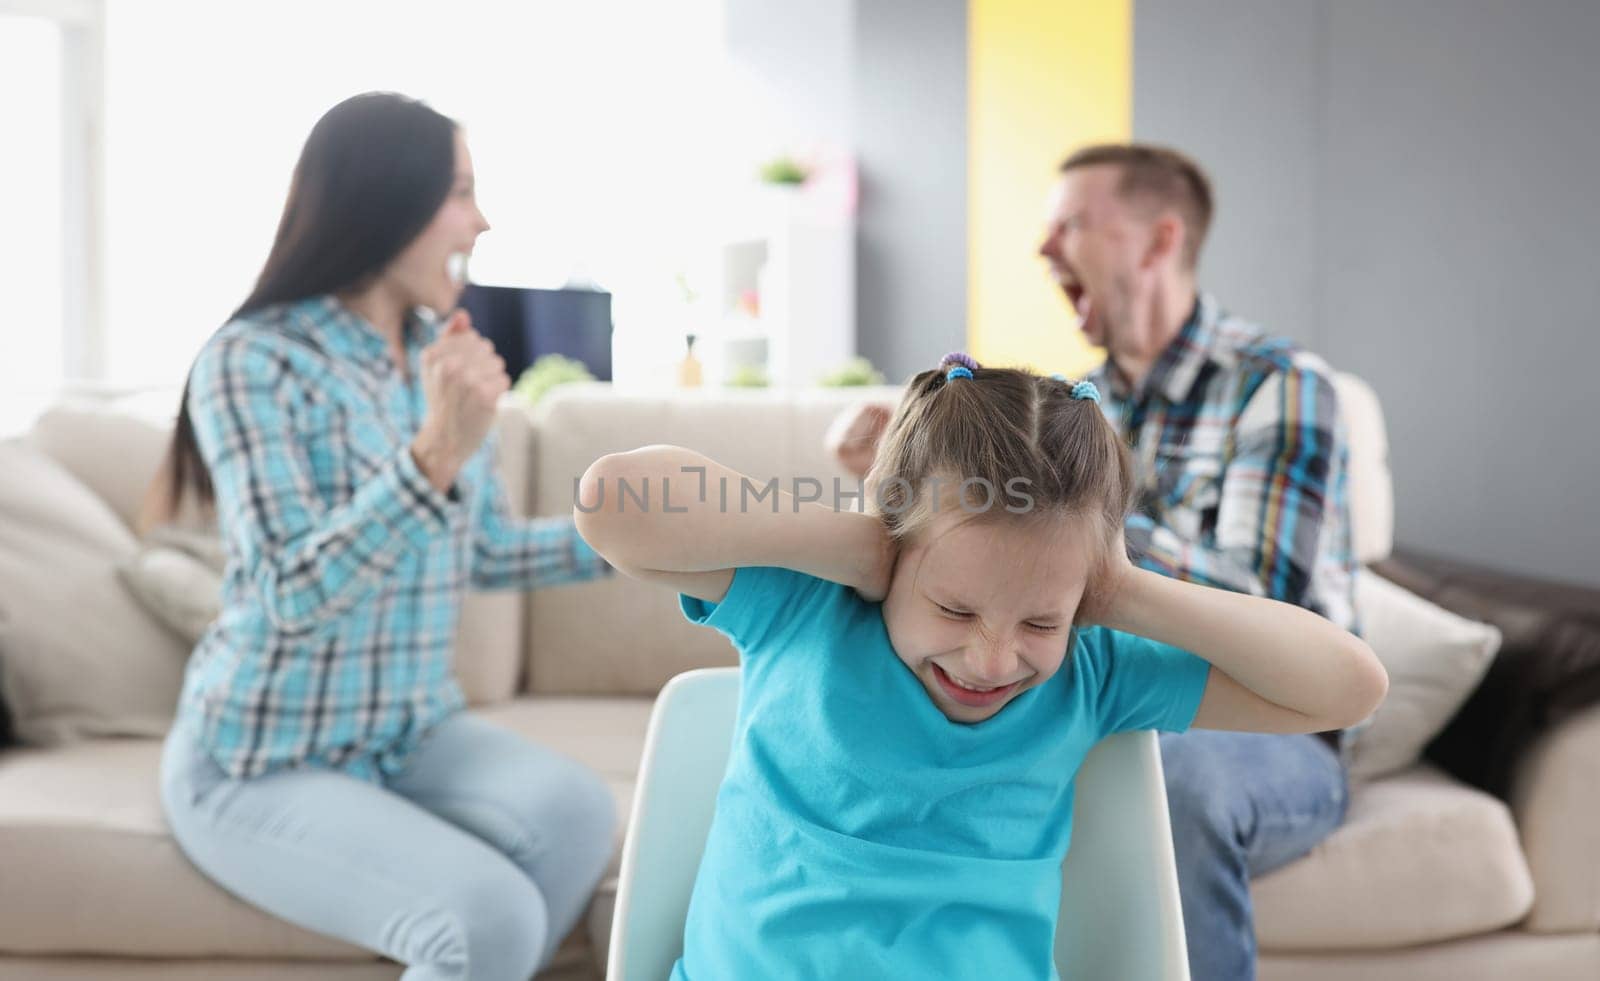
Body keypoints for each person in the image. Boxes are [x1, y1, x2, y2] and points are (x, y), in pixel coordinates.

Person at [575, 355, 1386, 979]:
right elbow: (610, 500)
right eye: (955, 610)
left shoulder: (1092, 671)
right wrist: (862, 541)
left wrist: (1125, 592)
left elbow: (1350, 687)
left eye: (1039, 620)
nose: (992, 658)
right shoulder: (805, 610)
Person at [829, 144, 1363, 981]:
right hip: (1117, 696)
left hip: (1265, 721)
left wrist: (1073, 534)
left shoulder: (1279, 386)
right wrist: (925, 492)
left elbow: (1267, 601)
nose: (1043, 251)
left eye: (1069, 226)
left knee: (1173, 785)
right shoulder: (1083, 403)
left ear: (1157, 242)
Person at [153, 92, 616, 981]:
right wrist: (437, 449)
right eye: (462, 192)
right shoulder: (251, 361)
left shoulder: (432, 352)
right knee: (489, 917)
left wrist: (634, 537)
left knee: (578, 813)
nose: (484, 220)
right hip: (260, 755)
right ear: (385, 200)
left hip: (405, 731)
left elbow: (478, 549)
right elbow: (290, 590)